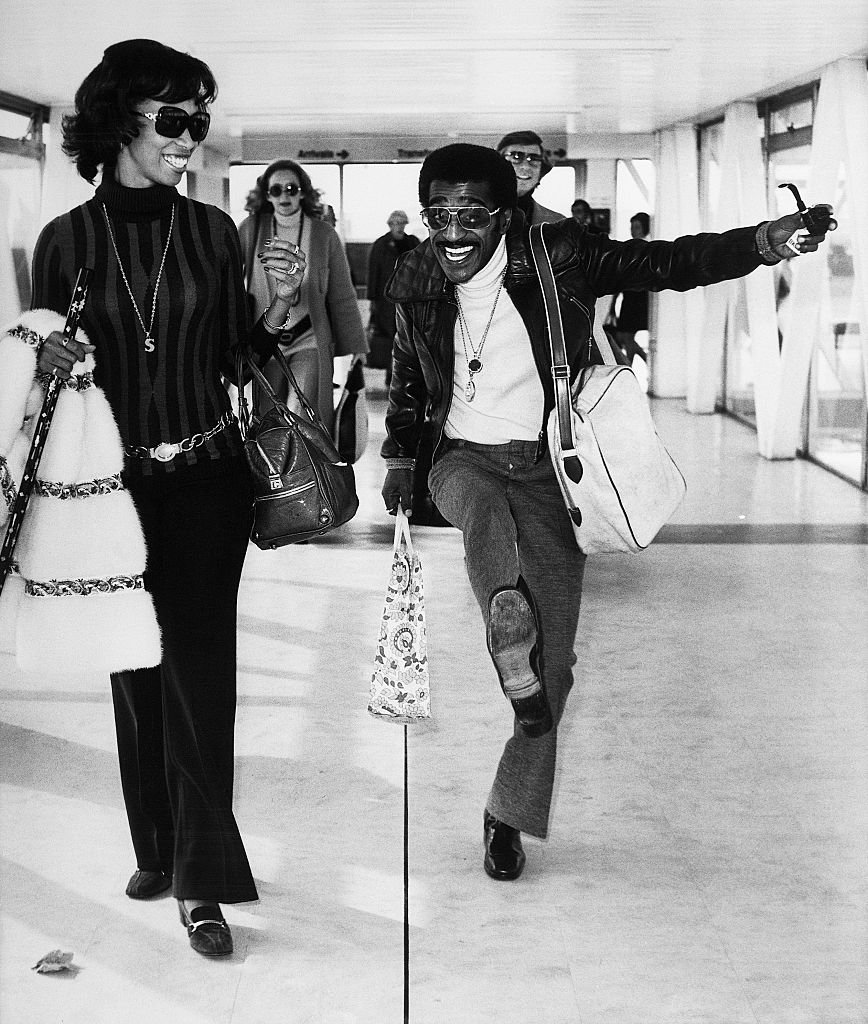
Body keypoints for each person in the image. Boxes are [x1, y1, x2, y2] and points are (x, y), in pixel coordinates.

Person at [380, 143, 833, 882]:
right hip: (460, 456)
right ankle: (503, 610)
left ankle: (506, 810)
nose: (453, 231)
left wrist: (759, 242)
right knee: (478, 513)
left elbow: (665, 264)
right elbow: (405, 372)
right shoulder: (417, 271)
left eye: (471, 214)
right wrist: (402, 457)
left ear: (506, 214)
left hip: (551, 468)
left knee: (550, 676)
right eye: (440, 213)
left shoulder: (557, 252)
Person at [31, 38, 306, 958]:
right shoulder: (64, 241)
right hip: (110, 493)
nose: (192, 138)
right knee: (133, 665)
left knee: (197, 674)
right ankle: (154, 843)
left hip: (205, 482)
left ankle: (203, 879)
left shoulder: (213, 233)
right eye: (175, 118)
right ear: (120, 119)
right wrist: (46, 358)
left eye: (201, 120)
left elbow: (241, 358)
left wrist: (275, 311)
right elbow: (50, 376)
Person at [238, 159, 366, 430]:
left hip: (308, 338)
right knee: (268, 417)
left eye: (291, 188)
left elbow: (342, 292)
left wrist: (356, 348)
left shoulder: (323, 233)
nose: (284, 195)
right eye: (276, 190)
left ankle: (306, 472)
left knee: (302, 414)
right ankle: (272, 472)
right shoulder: (251, 228)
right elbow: (227, 279)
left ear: (303, 192)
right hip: (264, 341)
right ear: (266, 195)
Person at [366, 210, 420, 386]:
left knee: (408, 338)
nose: (399, 226)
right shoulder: (380, 245)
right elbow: (373, 273)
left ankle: (404, 374)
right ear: (390, 225)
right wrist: (372, 301)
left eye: (402, 223)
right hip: (386, 302)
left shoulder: (413, 243)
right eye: (395, 223)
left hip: (409, 299)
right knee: (390, 338)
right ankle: (392, 373)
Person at [608, 211, 652, 363]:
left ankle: (631, 366)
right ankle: (640, 363)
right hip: (629, 297)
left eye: (637, 227)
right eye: (632, 226)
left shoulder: (647, 248)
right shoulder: (629, 248)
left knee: (626, 336)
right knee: (624, 336)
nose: (633, 230)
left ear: (645, 228)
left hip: (638, 298)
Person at [496, 130, 565, 225]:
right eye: (516, 157)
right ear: (498, 164)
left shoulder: (558, 224)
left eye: (534, 158)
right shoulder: (474, 214)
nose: (526, 166)